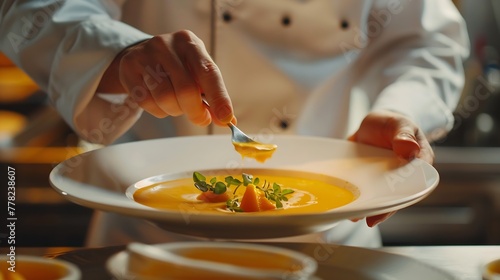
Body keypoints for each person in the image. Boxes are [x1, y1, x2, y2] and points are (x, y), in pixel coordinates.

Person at [0, 0, 469, 248]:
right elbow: (32, 6)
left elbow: (427, 42)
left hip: (332, 239)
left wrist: (405, 109)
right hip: (149, 244)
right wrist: (117, 52)